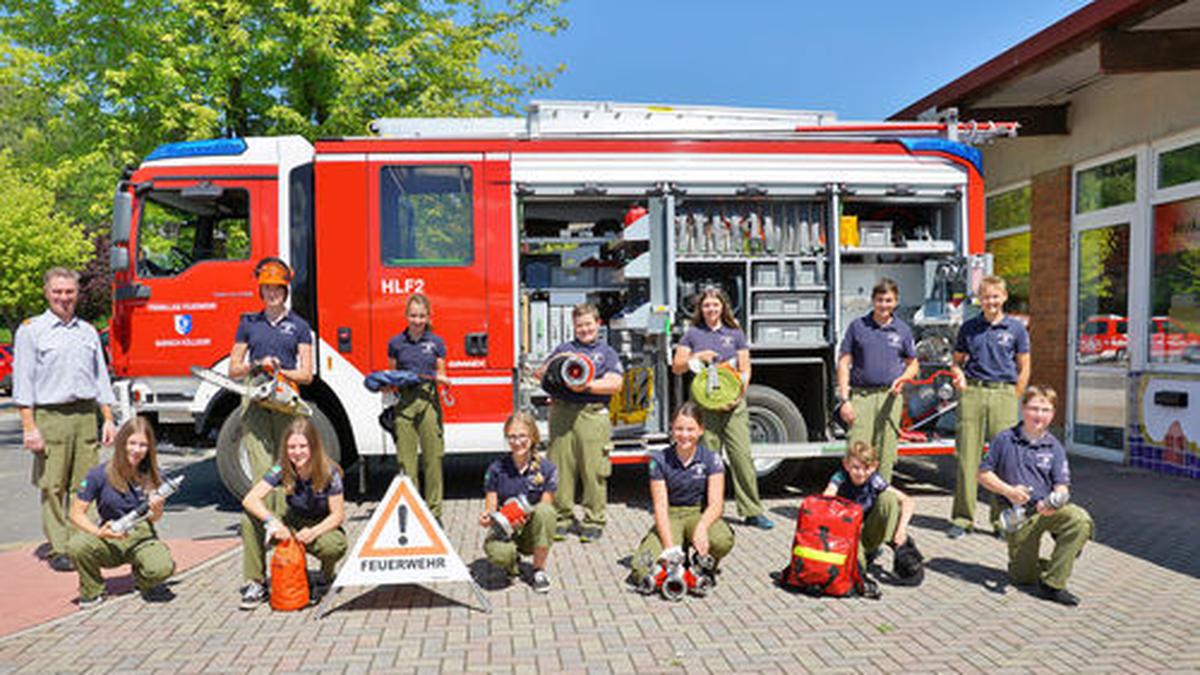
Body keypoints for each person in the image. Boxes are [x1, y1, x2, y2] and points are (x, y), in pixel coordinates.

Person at [14, 267, 118, 572]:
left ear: (77, 293)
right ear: (47, 293)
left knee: (83, 485)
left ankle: (78, 542)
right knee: (53, 485)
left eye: (69, 292)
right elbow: (23, 383)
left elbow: (101, 379)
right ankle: (59, 547)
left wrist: (108, 419)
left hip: (85, 415)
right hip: (50, 416)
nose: (64, 298)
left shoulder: (87, 331)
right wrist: (29, 426)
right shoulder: (31, 331)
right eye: (58, 292)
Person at [978, 386, 1093, 606]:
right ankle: (1056, 561)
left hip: (1045, 509)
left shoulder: (1055, 447)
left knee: (1080, 520)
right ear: (1023, 409)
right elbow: (983, 475)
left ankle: (1053, 584)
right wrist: (1008, 491)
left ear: (1052, 414)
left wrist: (1053, 501)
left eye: (1046, 410)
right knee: (1023, 579)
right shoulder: (1004, 439)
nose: (1039, 415)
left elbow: (1063, 487)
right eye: (1034, 408)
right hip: (1018, 516)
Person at [672, 287, 773, 530]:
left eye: (715, 305)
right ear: (700, 309)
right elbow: (677, 366)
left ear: (723, 307)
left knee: (741, 457)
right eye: (706, 305)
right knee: (707, 458)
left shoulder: (735, 333)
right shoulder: (692, 334)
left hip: (733, 405)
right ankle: (706, 509)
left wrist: (738, 395)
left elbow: (745, 369)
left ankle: (752, 510)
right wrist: (698, 356)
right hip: (704, 408)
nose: (711, 309)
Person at [947, 275, 1031, 539]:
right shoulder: (969, 328)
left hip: (1003, 395)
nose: (991, 301)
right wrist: (958, 374)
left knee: (1004, 460)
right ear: (979, 299)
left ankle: (1000, 521)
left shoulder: (1016, 329)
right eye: (986, 297)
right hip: (973, 393)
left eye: (995, 296)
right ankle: (962, 519)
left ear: (1004, 297)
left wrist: (1015, 396)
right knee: (967, 458)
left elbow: (1024, 366)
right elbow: (956, 361)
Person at [239, 417, 348, 610]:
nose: (297, 452)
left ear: (314, 446)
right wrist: (273, 523)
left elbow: (338, 515)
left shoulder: (330, 472)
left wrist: (313, 532)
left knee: (335, 545)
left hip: (319, 524)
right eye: (291, 447)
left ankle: (326, 576)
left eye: (302, 446)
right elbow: (250, 499)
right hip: (292, 520)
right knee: (249, 519)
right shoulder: (282, 467)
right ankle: (257, 582)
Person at [66, 417, 176, 608]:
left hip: (141, 536)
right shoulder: (98, 474)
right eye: (132, 443)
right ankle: (92, 590)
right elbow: (76, 514)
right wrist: (99, 532)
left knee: (163, 568)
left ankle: (144, 581)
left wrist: (157, 506)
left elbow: (155, 518)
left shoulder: (152, 474)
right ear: (122, 442)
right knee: (76, 545)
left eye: (143, 445)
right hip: (111, 535)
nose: (136, 450)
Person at [540, 303, 623, 543]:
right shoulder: (564, 349)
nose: (584, 329)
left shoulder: (606, 353)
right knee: (560, 469)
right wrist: (557, 365)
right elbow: (543, 374)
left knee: (593, 469)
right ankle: (561, 518)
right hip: (562, 413)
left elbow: (615, 383)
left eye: (588, 324)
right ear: (573, 327)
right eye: (579, 325)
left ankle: (593, 519)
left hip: (592, 414)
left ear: (598, 324)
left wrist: (585, 385)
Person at [229, 257, 314, 484]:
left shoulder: (300, 326)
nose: (272, 293)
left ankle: (286, 514)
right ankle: (262, 515)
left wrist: (281, 370)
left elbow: (307, 375)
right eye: (267, 288)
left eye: (277, 288)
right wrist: (257, 364)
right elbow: (234, 370)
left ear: (285, 291)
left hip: (284, 394)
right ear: (261, 291)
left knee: (284, 461)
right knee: (261, 463)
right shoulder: (249, 323)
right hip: (255, 395)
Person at [630, 402, 735, 584]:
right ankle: (675, 559)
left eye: (690, 429)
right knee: (640, 568)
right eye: (679, 429)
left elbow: (716, 505)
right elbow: (660, 506)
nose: (684, 435)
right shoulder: (659, 460)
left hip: (698, 514)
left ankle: (703, 565)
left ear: (700, 430)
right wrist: (669, 548)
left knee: (721, 540)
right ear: (671, 429)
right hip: (671, 515)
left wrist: (702, 528)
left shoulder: (712, 459)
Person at [836, 278, 919, 483]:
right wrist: (845, 400)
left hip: (890, 398)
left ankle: (881, 504)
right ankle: (856, 508)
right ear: (873, 301)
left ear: (896, 302)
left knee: (886, 453)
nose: (884, 305)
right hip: (861, 397)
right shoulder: (858, 327)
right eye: (880, 300)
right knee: (857, 452)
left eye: (889, 300)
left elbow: (913, 365)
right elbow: (844, 362)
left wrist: (902, 379)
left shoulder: (902, 330)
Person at [386, 293, 451, 520]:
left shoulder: (436, 343)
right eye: (413, 315)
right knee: (406, 462)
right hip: (404, 405)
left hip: (428, 403)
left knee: (433, 459)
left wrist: (439, 378)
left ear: (428, 316)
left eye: (422, 315)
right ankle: (413, 513)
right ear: (406, 316)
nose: (417, 320)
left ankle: (434, 514)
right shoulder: (395, 343)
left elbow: (442, 374)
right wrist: (386, 384)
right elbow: (392, 377)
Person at [479, 412, 558, 593]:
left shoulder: (546, 469)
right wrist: (487, 518)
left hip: (531, 530)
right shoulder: (496, 469)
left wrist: (523, 516)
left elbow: (546, 504)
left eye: (522, 436)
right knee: (499, 554)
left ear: (533, 436)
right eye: (512, 437)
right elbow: (491, 506)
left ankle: (539, 570)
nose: (517, 442)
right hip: (506, 529)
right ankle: (513, 565)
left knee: (546, 512)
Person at [822, 441, 914, 569]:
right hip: (846, 533)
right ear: (846, 465)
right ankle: (863, 558)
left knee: (888, 498)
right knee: (857, 567)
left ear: (874, 466)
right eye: (855, 467)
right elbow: (828, 495)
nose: (861, 473)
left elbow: (907, 500)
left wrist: (901, 531)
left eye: (866, 468)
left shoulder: (874, 480)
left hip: (867, 531)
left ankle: (892, 544)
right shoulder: (840, 477)